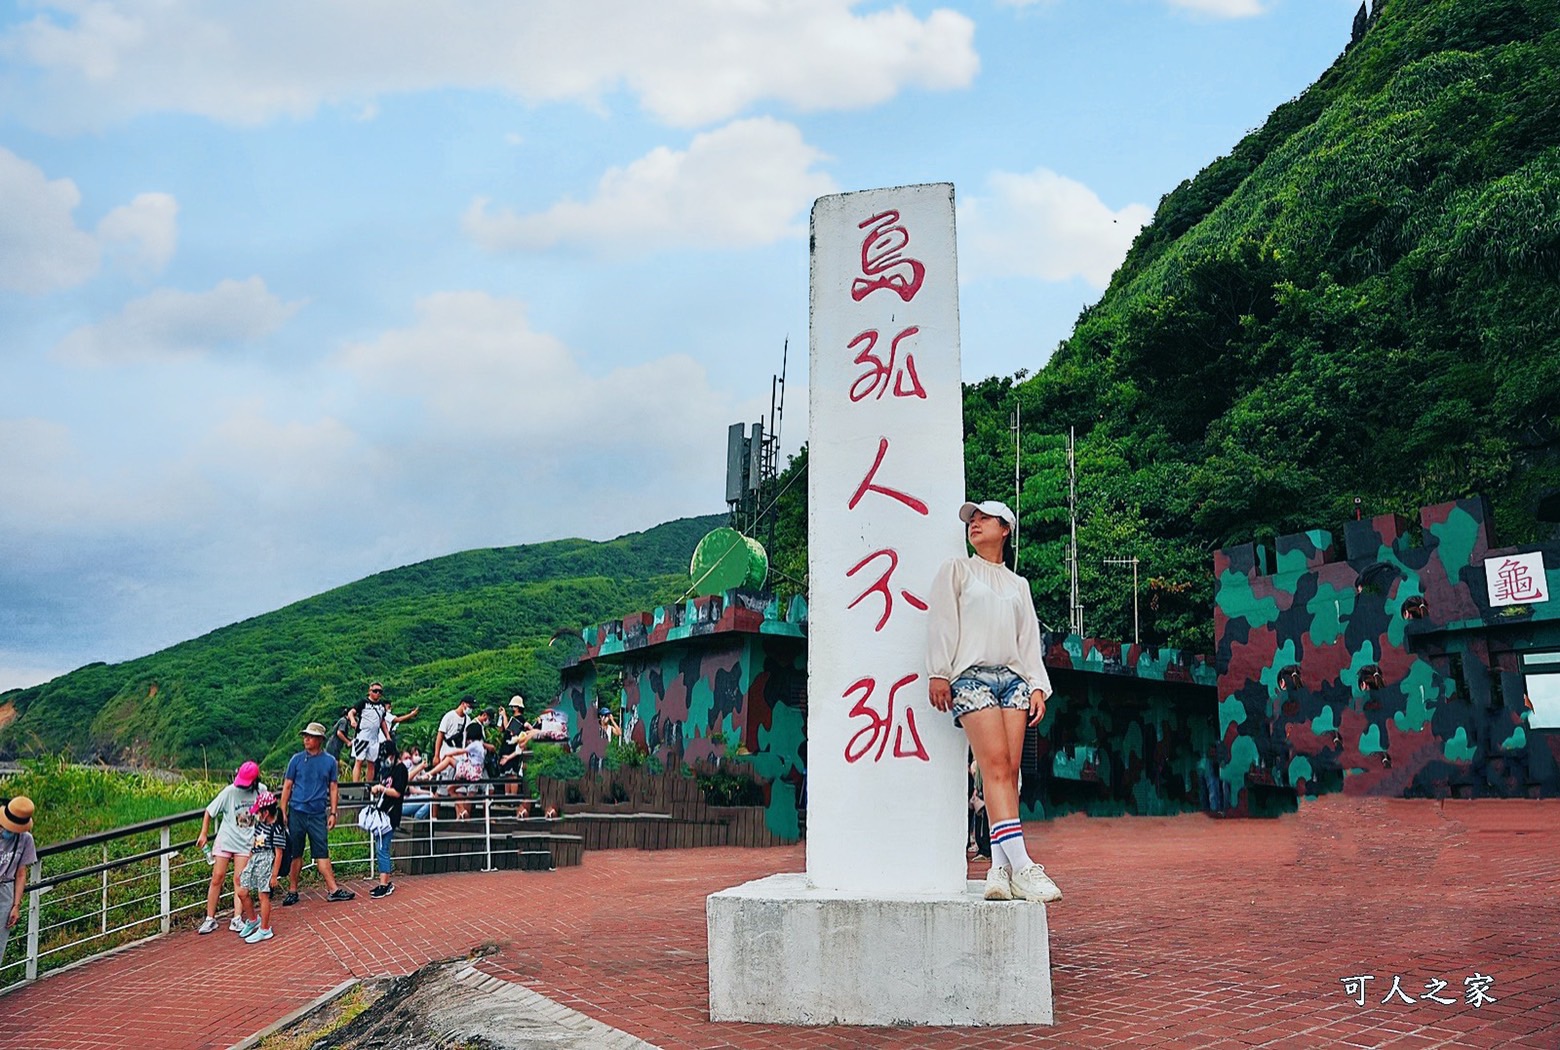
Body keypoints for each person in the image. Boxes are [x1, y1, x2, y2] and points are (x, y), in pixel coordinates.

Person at [926, 499, 1062, 904]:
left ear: (1006, 528)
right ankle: (1024, 865)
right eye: (972, 519)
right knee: (996, 766)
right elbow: (942, 621)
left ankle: (998, 871)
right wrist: (939, 671)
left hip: (1014, 681)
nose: (976, 524)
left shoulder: (1018, 585)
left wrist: (1037, 684)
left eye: (985, 518)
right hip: (972, 679)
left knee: (1009, 773)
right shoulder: (958, 570)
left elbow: (1028, 640)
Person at [279, 722, 355, 905]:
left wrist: (334, 813)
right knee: (295, 853)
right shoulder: (296, 760)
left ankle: (333, 889)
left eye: (310, 736)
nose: (306, 739)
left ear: (320, 739)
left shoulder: (329, 761)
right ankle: (293, 890)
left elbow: (333, 787)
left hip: (317, 813)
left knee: (322, 852)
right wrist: (283, 810)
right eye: (305, 735)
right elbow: (287, 786)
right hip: (297, 811)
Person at [195, 761, 265, 934]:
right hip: (226, 839)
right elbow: (209, 812)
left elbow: (266, 815)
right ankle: (210, 918)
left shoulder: (261, 790)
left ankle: (237, 918)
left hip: (245, 842)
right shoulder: (230, 791)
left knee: (239, 881)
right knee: (217, 877)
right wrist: (204, 833)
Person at [237, 791, 286, 943]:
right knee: (242, 892)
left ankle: (265, 929)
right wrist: (246, 865)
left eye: (258, 812)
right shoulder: (259, 825)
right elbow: (254, 845)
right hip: (255, 858)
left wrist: (274, 875)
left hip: (266, 860)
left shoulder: (277, 829)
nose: (256, 814)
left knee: (263, 895)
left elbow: (279, 854)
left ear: (265, 813)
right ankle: (253, 920)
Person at [367, 741, 409, 898]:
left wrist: (382, 789)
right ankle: (383, 881)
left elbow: (398, 792)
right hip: (381, 812)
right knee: (380, 847)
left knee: (383, 848)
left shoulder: (401, 769)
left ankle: (384, 883)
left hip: (391, 814)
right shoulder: (386, 769)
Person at [0, 796, 38, 968]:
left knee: (0, 941)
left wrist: (16, 905)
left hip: (6, 889)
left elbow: (21, 873)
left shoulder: (25, 839)